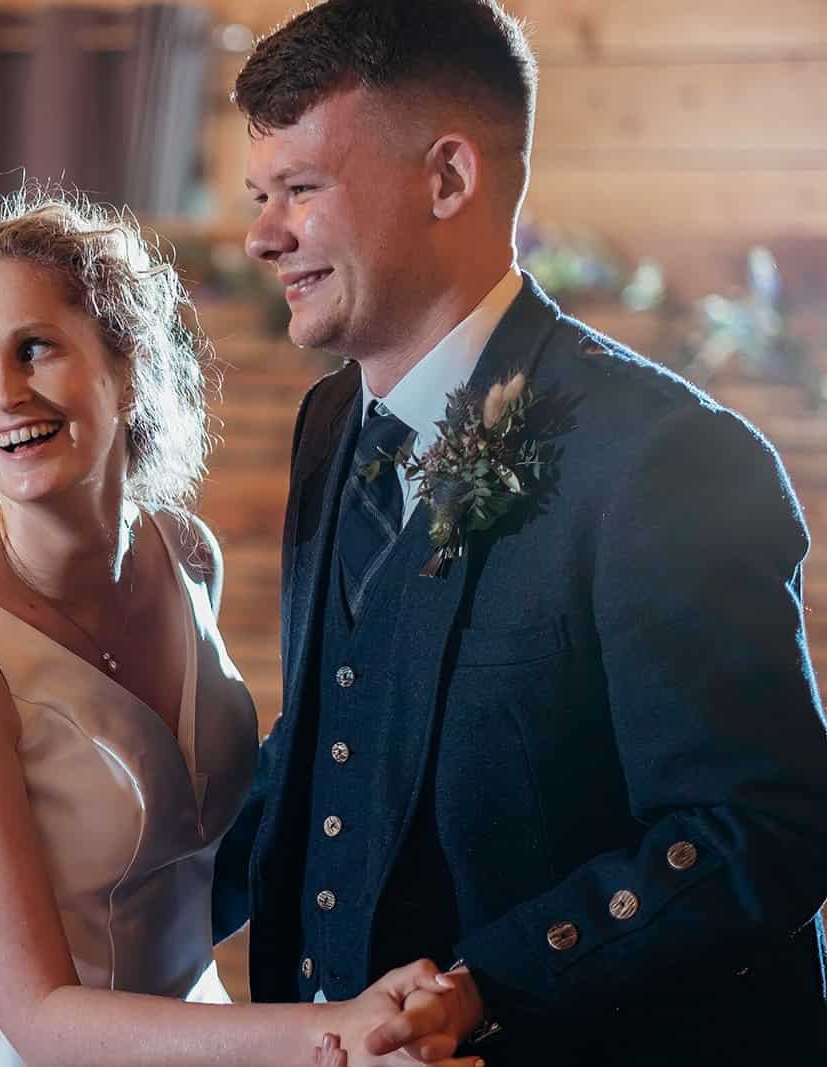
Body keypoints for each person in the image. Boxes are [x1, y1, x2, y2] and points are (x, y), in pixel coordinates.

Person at [209, 2, 827, 1064]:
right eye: (263, 196)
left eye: (302, 190)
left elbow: (759, 828)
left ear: (448, 179)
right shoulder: (326, 426)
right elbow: (330, 741)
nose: (262, 236)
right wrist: (77, 929)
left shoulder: (668, 456)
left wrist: (485, 985)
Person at [0, 190, 483, 1067]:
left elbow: (217, 845)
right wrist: (332, 1030)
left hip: (184, 1028)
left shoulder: (184, 553)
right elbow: (41, 1016)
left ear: (123, 363)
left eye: (33, 347)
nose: (3, 393)